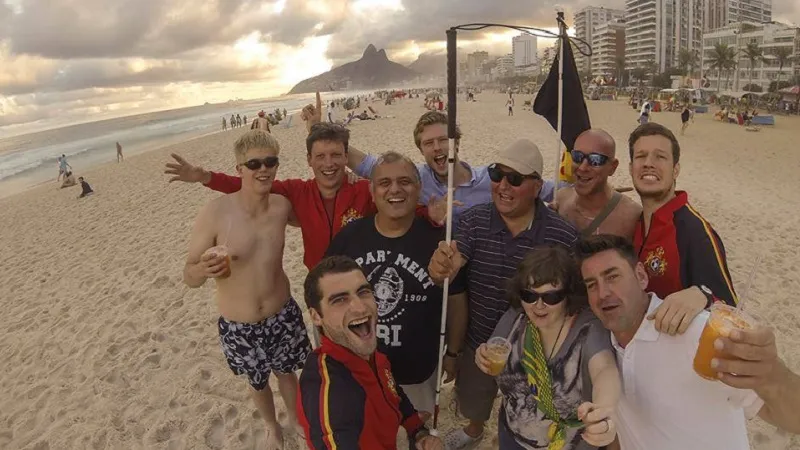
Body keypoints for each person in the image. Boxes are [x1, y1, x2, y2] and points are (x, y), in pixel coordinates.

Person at [575, 234, 800, 449]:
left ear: (641, 276)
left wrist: (772, 374)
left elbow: (793, 418)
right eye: (591, 284)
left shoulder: (700, 334)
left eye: (612, 277)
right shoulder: (602, 346)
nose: (602, 293)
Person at [427, 139, 578, 449]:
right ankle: (475, 429)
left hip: (536, 350)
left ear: (537, 187)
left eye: (515, 179)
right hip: (480, 340)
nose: (503, 186)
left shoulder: (562, 235)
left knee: (528, 412)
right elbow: (452, 265)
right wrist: (441, 269)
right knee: (475, 399)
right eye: (497, 175)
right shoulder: (473, 221)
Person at [165, 123, 441, 271]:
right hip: (318, 283)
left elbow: (398, 207)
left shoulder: (362, 190)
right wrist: (205, 177)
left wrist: (429, 214)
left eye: (336, 155)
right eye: (320, 156)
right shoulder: (296, 191)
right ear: (309, 160)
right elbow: (248, 183)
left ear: (346, 157)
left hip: (363, 279)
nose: (329, 163)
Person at [183, 130, 311, 449]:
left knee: (287, 373)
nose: (263, 169)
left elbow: (317, 217)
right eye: (254, 164)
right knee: (257, 382)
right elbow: (189, 276)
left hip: (282, 312)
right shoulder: (215, 213)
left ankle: (295, 420)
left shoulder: (282, 207)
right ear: (239, 168)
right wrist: (201, 270)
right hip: (239, 324)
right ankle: (271, 426)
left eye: (270, 162)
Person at [324, 151, 467, 417]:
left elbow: (457, 300)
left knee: (419, 430)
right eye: (384, 183)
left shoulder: (440, 241)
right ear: (372, 191)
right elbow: (326, 296)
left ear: (418, 188)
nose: (395, 190)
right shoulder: (349, 238)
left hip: (418, 372)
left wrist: (453, 354)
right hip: (361, 370)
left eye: (405, 181)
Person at [475, 245, 621, 449]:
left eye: (551, 297)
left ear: (568, 295)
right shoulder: (516, 317)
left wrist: (605, 410)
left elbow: (604, 368)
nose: (538, 305)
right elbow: (493, 350)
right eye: (529, 295)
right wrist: (481, 356)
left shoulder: (588, 328)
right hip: (513, 437)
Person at [297, 256, 443, 450]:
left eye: (363, 292)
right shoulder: (329, 395)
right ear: (316, 316)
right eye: (339, 300)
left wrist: (417, 430)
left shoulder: (366, 344)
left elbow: (391, 389)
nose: (360, 307)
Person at [335, 110, 557, 223]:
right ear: (421, 150)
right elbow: (368, 165)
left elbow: (551, 191)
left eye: (443, 140)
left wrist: (563, 197)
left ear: (456, 143)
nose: (437, 148)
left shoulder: (492, 179)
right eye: (428, 143)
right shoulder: (414, 179)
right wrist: (326, 135)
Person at [629, 123, 738, 314]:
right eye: (640, 156)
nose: (648, 163)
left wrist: (704, 297)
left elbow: (728, 308)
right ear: (631, 168)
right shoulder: (634, 223)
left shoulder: (694, 231)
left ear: (675, 170)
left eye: (660, 157)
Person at [554, 129, 641, 239]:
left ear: (613, 167)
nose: (583, 167)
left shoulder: (631, 217)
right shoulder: (560, 201)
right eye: (577, 157)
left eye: (595, 160)